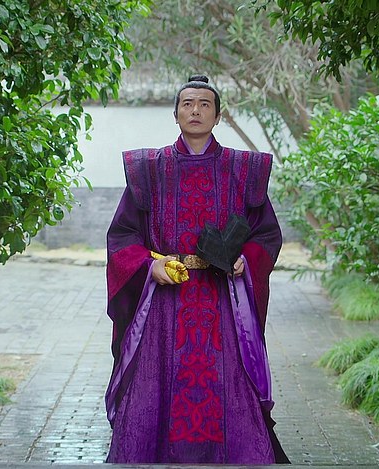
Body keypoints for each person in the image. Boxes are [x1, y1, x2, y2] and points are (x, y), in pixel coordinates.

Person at [104, 75, 288, 464]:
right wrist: (150, 267)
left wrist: (245, 260)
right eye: (187, 104)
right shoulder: (148, 169)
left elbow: (267, 235)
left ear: (218, 116)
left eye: (205, 104)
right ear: (175, 114)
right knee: (156, 384)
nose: (196, 111)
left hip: (223, 304)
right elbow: (122, 236)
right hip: (164, 305)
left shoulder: (243, 169)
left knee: (229, 384)